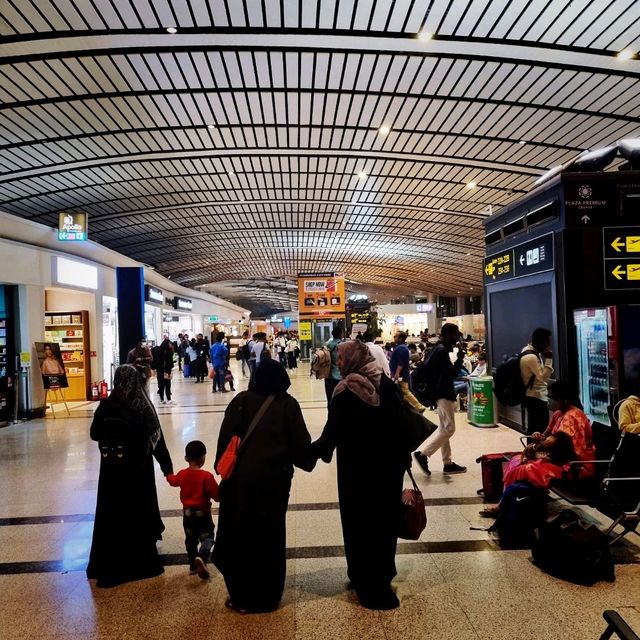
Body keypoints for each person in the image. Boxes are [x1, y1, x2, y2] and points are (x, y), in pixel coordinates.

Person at [312, 340, 409, 610]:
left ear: (352, 360)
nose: (339, 364)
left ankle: (363, 577)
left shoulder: (345, 391)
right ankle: (382, 576)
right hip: (388, 472)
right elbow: (402, 426)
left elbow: (331, 434)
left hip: (358, 473)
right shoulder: (386, 385)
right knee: (384, 523)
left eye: (342, 360)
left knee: (359, 523)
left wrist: (306, 454)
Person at [213, 359, 314, 613]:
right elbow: (303, 453)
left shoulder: (240, 401)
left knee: (240, 537)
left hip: (239, 486)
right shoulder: (288, 405)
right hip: (274, 487)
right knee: (270, 538)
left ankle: (242, 596)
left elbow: (222, 450)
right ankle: (268, 597)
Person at [86, 364, 173, 588]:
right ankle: (139, 561)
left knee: (112, 514)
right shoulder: (142, 406)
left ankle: (109, 561)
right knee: (136, 513)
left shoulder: (107, 404)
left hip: (112, 473)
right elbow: (157, 440)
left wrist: (112, 430)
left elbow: (95, 433)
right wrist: (167, 468)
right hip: (137, 473)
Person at [413, 323, 467, 475]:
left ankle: (447, 463)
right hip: (443, 393)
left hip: (439, 392)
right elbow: (450, 373)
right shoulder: (441, 351)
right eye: (456, 334)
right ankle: (423, 454)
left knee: (444, 428)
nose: (458, 337)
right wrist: (460, 358)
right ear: (448, 334)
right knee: (450, 428)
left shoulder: (437, 349)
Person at [166, 440, 219, 580]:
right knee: (208, 537)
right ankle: (201, 557)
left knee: (190, 540)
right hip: (203, 514)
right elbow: (217, 495)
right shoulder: (206, 476)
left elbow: (172, 481)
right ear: (203, 457)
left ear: (186, 458)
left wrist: (168, 473)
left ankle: (193, 566)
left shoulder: (183, 474)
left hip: (187, 514)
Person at [531, 380, 596, 479]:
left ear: (564, 399)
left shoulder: (573, 416)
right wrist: (538, 435)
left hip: (576, 466)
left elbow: (556, 443)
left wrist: (538, 444)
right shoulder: (558, 413)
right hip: (560, 460)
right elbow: (545, 436)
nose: (548, 399)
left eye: (551, 397)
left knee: (527, 470)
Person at [520, 328, 554, 435]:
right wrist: (549, 359)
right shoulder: (531, 356)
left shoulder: (529, 350)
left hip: (533, 396)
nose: (549, 345)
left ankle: (533, 449)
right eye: (547, 342)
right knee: (538, 428)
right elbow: (543, 377)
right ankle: (535, 449)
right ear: (541, 342)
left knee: (535, 427)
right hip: (536, 397)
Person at [390, 332, 426, 413]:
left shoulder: (401, 348)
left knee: (404, 391)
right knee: (402, 391)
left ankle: (419, 407)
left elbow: (401, 363)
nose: (394, 337)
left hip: (401, 375)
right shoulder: (400, 347)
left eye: (395, 336)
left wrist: (397, 373)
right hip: (401, 374)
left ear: (400, 339)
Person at [324, 326, 344, 404]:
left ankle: (330, 414)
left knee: (330, 399)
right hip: (339, 377)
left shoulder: (328, 345)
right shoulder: (343, 345)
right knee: (339, 400)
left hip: (328, 376)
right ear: (340, 334)